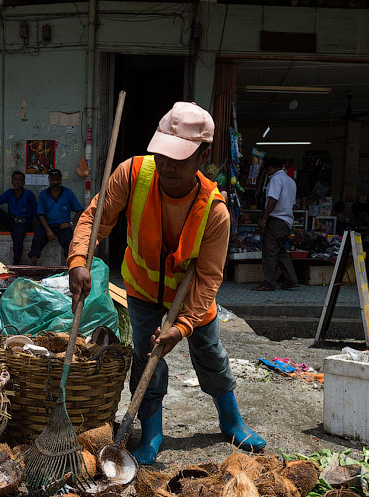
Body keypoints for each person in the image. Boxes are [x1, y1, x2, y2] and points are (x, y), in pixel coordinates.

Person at [68, 101, 265, 465]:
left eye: (179, 158)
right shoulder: (132, 175)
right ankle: (152, 431)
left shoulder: (214, 211)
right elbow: (95, 219)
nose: (167, 165)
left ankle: (231, 420)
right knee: (146, 357)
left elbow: (208, 278)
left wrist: (184, 325)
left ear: (203, 156)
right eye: (162, 154)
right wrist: (79, 259)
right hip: (143, 290)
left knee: (210, 355)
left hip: (191, 298)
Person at [253, 157, 299, 291]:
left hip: (276, 220)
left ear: (271, 169)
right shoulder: (291, 181)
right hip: (286, 221)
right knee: (281, 251)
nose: (267, 173)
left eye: (267, 170)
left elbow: (273, 200)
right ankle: (291, 279)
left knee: (269, 252)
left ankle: (269, 282)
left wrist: (263, 219)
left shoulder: (275, 179)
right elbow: (293, 204)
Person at [29, 168, 84, 265]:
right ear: (49, 180)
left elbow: (79, 210)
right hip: (47, 225)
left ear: (61, 179)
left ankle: (71, 266)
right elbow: (40, 214)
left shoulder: (68, 193)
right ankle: (34, 264)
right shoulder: (43, 195)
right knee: (37, 239)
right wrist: (48, 230)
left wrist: (70, 223)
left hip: (63, 226)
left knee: (69, 241)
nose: (56, 182)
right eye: (53, 179)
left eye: (58, 179)